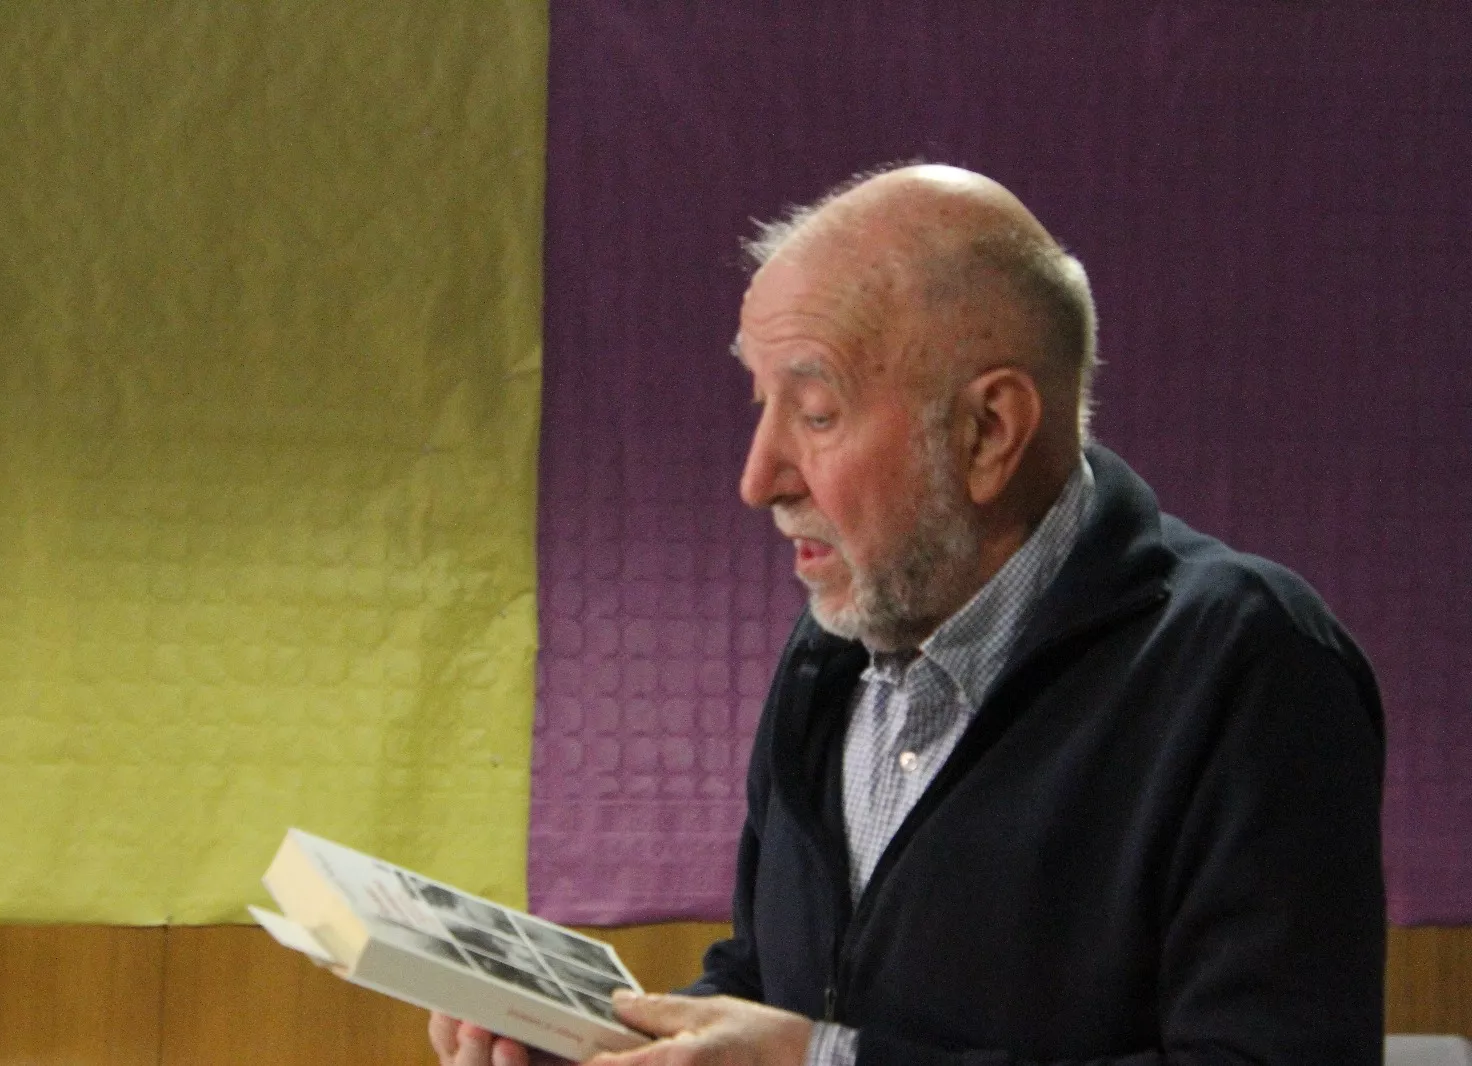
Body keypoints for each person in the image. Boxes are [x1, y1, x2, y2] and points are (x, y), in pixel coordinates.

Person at [430, 165, 1386, 1066]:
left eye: (814, 413)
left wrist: (826, 1061)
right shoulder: (833, 649)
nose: (757, 478)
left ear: (988, 432)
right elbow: (770, 985)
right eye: (762, 405)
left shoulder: (1252, 664)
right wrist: (621, 1041)